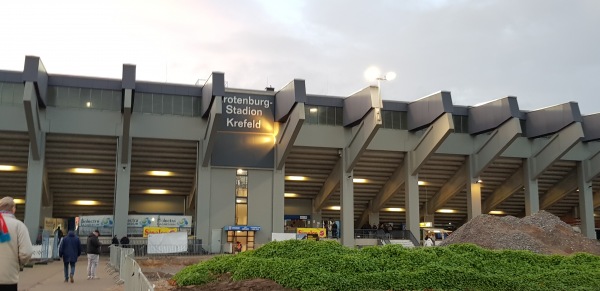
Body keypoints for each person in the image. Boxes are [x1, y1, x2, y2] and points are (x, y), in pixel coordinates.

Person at [0, 197, 33, 291]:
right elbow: (26, 252)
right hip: (8, 278)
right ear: (13, 209)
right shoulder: (19, 226)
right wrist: (20, 263)